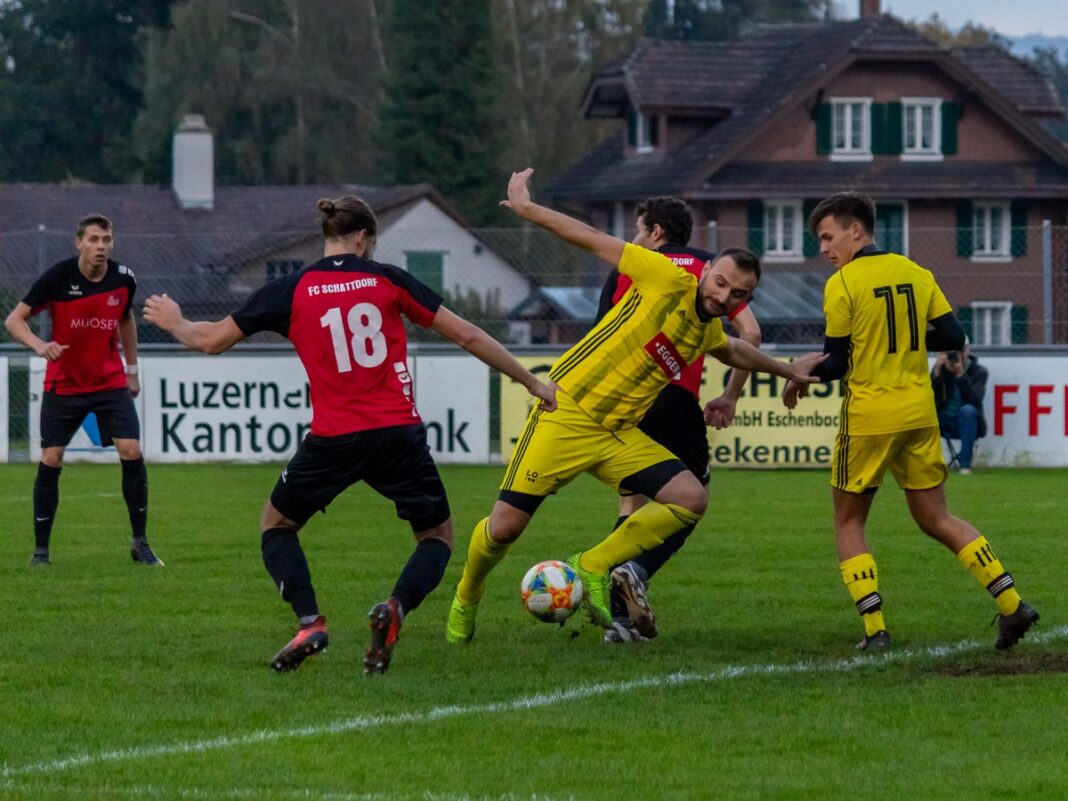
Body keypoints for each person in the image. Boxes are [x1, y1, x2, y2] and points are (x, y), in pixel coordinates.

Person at [143, 196, 556, 674]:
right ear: (363, 238)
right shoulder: (387, 279)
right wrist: (530, 381)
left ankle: (309, 622)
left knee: (277, 527)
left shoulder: (290, 288)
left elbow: (210, 340)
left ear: (329, 236)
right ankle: (396, 608)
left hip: (334, 438)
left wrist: (174, 322)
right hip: (398, 434)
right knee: (436, 537)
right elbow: (467, 335)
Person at [445, 168, 825, 645]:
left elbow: (733, 349)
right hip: (568, 413)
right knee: (503, 530)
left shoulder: (707, 325)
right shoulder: (663, 274)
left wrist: (789, 370)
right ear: (705, 271)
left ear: (747, 297)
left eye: (738, 294)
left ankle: (594, 565)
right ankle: (468, 592)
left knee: (691, 498)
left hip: (618, 434)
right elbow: (589, 237)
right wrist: (527, 210)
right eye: (721, 283)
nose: (724, 296)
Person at [783, 191, 1038, 652]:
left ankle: (875, 631)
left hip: (870, 417)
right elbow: (954, 337)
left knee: (848, 522)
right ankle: (1013, 604)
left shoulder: (842, 284)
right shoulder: (916, 272)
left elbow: (838, 363)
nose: (823, 248)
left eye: (827, 236)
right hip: (918, 414)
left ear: (855, 230)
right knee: (936, 517)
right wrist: (901, 333)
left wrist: (797, 375)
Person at [594, 197, 762, 644]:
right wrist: (729, 396)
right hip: (674, 399)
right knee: (693, 499)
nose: (634, 235)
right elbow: (751, 334)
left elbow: (599, 338)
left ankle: (619, 622)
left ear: (654, 232)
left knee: (631, 502)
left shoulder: (630, 265)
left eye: (638, 227)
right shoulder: (714, 269)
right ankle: (637, 571)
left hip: (623, 401)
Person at [4, 214, 160, 567]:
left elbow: (126, 320)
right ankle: (41, 552)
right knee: (51, 458)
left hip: (109, 382)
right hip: (65, 385)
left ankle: (140, 543)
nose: (101, 246)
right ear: (79, 243)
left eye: (106, 239)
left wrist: (132, 371)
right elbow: (14, 320)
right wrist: (39, 345)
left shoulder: (124, 280)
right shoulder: (58, 278)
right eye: (93, 240)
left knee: (132, 450)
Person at [931, 339, 988, 474]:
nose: (956, 355)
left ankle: (965, 465)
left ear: (967, 350)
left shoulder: (978, 371)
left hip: (968, 421)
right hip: (944, 419)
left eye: (960, 351)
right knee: (924, 414)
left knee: (967, 411)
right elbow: (932, 399)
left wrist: (961, 375)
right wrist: (937, 372)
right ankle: (927, 466)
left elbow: (975, 399)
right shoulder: (941, 370)